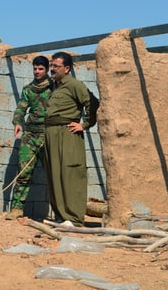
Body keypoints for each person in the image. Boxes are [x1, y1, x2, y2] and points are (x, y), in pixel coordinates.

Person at [43, 51, 99, 227]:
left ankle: (74, 218)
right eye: (51, 65)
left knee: (70, 174)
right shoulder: (55, 86)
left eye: (56, 66)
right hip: (52, 132)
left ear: (66, 68)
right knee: (55, 175)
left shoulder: (74, 84)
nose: (52, 69)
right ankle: (61, 215)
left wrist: (85, 124)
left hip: (67, 134)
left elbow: (92, 102)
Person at [5, 56, 52, 220]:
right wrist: (18, 122)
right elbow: (21, 109)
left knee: (55, 175)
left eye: (41, 69)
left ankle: (61, 213)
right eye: (35, 69)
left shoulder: (55, 88)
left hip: (49, 136)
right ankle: (17, 208)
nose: (37, 72)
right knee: (23, 173)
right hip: (30, 135)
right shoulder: (28, 89)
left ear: (46, 70)